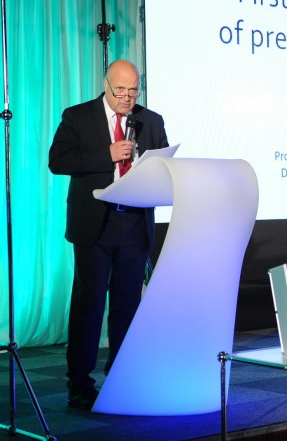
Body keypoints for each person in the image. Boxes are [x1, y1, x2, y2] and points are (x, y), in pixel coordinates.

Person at [48, 59, 169, 410]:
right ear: (106, 85)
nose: (127, 97)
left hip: (134, 222)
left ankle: (121, 375)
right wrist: (107, 155)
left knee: (127, 305)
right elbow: (58, 161)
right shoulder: (78, 116)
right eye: (120, 90)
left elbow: (165, 166)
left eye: (133, 90)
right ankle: (80, 382)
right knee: (89, 304)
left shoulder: (151, 120)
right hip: (95, 222)